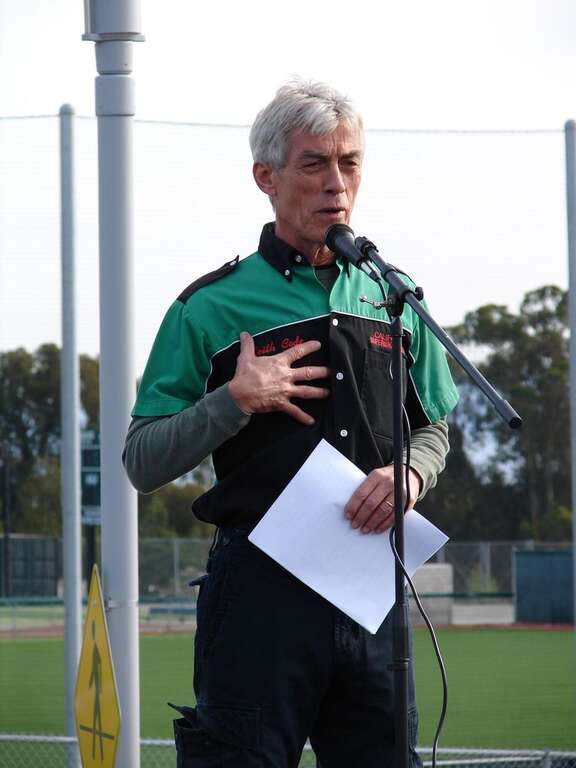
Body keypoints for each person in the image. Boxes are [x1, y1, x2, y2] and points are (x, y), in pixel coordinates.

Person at [123, 79, 459, 768]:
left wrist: (412, 472)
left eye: (351, 163)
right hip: (256, 600)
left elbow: (436, 430)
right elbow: (141, 460)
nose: (337, 183)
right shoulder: (207, 308)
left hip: (373, 592)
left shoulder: (397, 298)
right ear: (266, 178)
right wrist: (233, 401)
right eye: (315, 164)